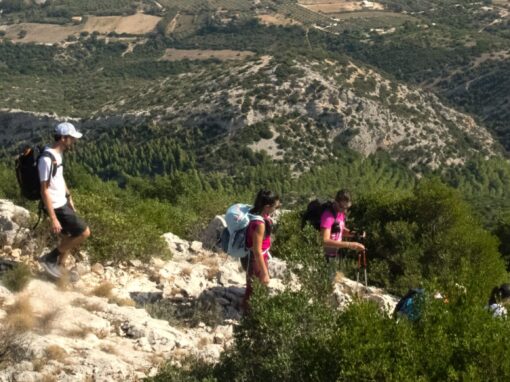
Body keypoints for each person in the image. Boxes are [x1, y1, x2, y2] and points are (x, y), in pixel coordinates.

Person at [37, 122, 91, 280]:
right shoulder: (46, 160)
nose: (74, 141)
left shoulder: (57, 155)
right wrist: (53, 218)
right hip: (56, 205)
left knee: (69, 235)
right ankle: (49, 259)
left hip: (62, 201)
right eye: (71, 138)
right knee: (84, 232)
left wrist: (69, 197)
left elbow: (59, 178)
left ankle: (59, 269)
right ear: (62, 138)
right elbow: (44, 190)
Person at [242, 189, 280, 311]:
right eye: (276, 206)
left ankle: (251, 310)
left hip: (253, 257)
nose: (276, 208)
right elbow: (257, 251)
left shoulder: (254, 212)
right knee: (254, 287)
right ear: (267, 207)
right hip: (255, 259)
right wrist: (265, 273)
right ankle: (248, 314)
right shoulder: (259, 224)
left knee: (253, 286)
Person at [320, 189, 365, 263]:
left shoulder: (340, 213)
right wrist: (350, 245)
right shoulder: (328, 216)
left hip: (336, 254)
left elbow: (340, 230)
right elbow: (325, 241)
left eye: (346, 207)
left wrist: (355, 234)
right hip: (326, 255)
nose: (344, 210)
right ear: (336, 202)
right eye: (342, 207)